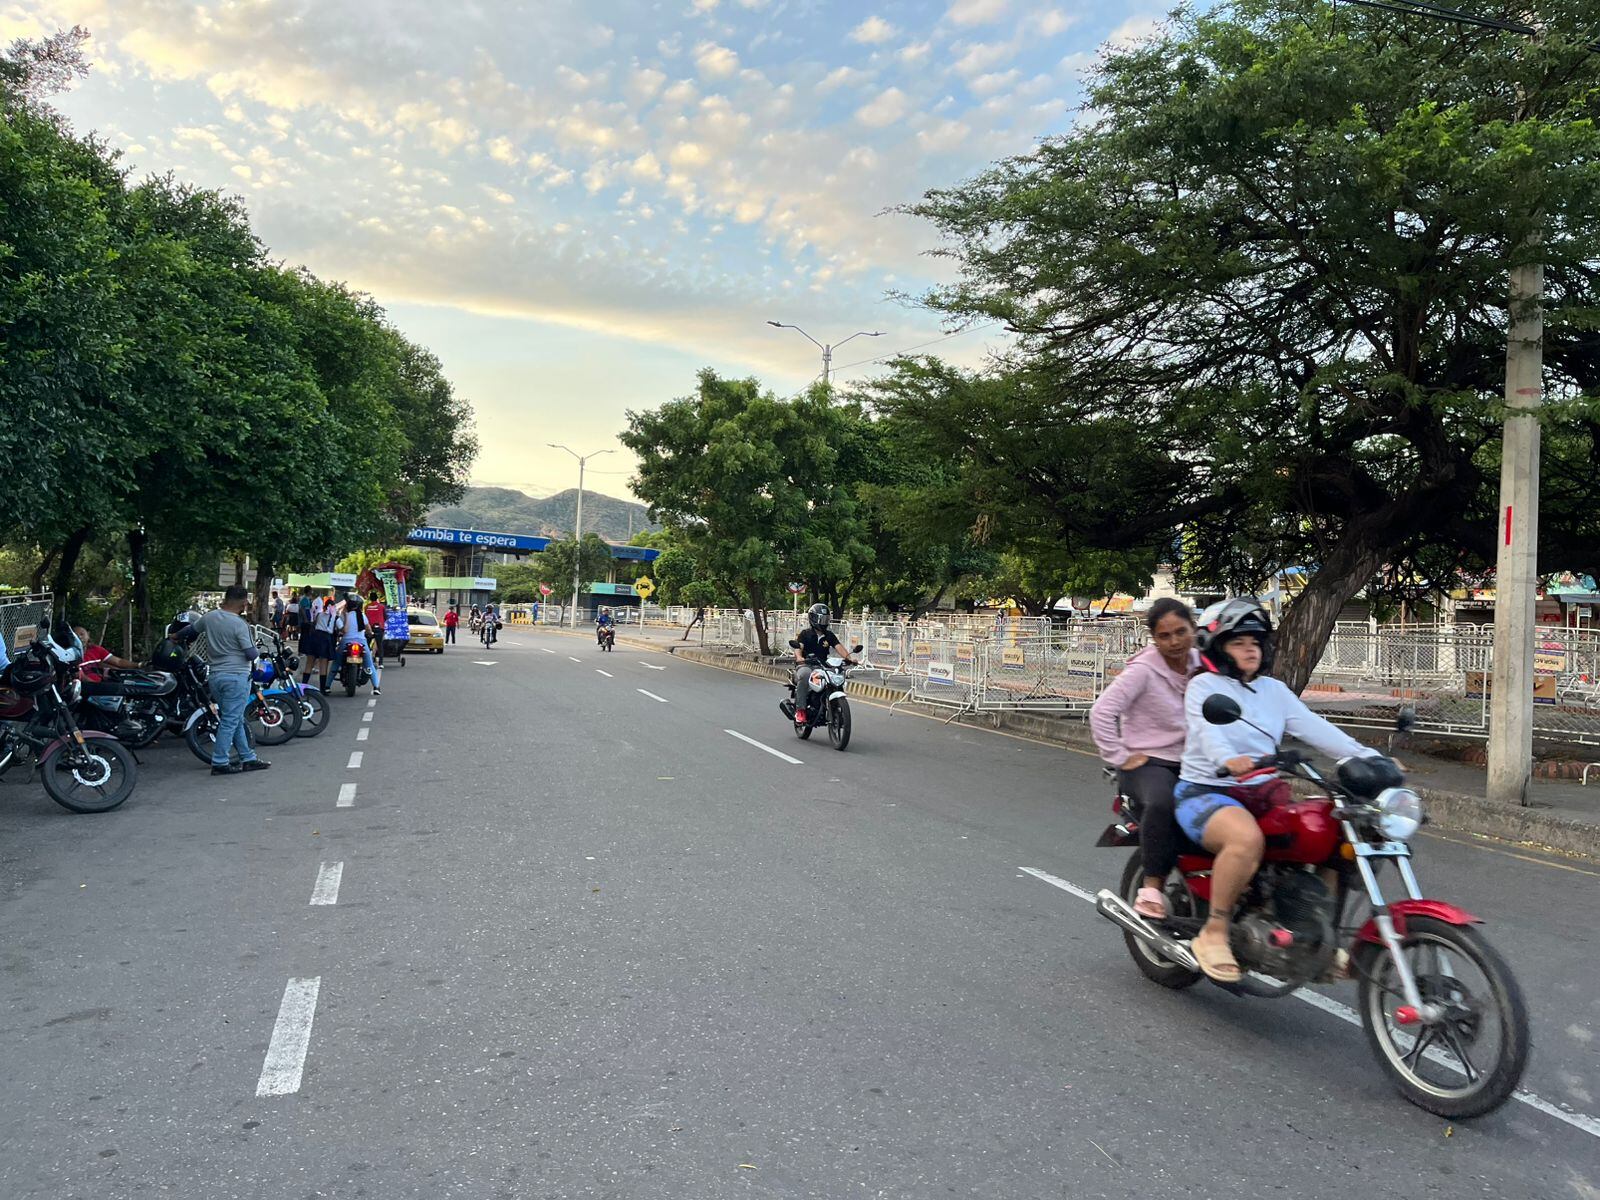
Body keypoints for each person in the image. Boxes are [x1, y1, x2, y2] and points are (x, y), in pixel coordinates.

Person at [1177, 599, 1386, 982]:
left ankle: (1312, 936)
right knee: (1245, 840)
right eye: (1239, 642)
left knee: (1334, 831)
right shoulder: (1204, 687)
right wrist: (1229, 759)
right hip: (1208, 792)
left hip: (1264, 792)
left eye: (1255, 642)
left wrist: (1372, 759)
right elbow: (1208, 733)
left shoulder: (1273, 691)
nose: (1250, 649)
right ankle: (1215, 932)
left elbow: (1316, 728)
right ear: (1218, 647)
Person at [1088, 598, 1199, 919]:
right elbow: (1102, 712)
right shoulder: (1143, 671)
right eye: (1165, 636)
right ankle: (1151, 888)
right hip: (1147, 764)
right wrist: (1120, 756)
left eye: (1181, 631)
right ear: (1154, 638)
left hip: (1192, 762)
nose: (1175, 641)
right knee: (1163, 802)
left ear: (1193, 628)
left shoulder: (1203, 663)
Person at [183, 585, 269, 776]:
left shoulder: (210, 617)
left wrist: (174, 637)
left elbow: (190, 631)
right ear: (243, 602)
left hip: (215, 676)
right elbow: (250, 653)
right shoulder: (240, 624)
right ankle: (220, 761)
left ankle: (248, 758)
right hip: (237, 677)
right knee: (230, 720)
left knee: (234, 718)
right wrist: (257, 652)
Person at [791, 603, 857, 724]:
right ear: (813, 618)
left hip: (823, 666)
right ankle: (801, 710)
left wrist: (850, 658)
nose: (823, 622)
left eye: (826, 619)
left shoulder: (829, 635)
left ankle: (834, 706)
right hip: (806, 665)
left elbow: (839, 648)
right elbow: (798, 647)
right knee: (805, 675)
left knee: (835, 676)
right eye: (821, 619)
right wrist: (799, 657)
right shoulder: (805, 634)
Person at [338, 590, 381, 695]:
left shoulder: (343, 615)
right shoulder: (362, 616)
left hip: (346, 641)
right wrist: (371, 634)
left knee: (336, 664)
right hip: (361, 642)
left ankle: (327, 686)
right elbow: (369, 630)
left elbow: (341, 630)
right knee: (369, 665)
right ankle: (376, 687)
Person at [365, 589, 389, 666]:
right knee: (380, 645)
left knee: (367, 645)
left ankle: (366, 662)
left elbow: (365, 617)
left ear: (370, 599)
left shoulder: (367, 607)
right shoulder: (381, 606)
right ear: (377, 598)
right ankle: (381, 663)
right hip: (379, 628)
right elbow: (386, 617)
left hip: (369, 628)